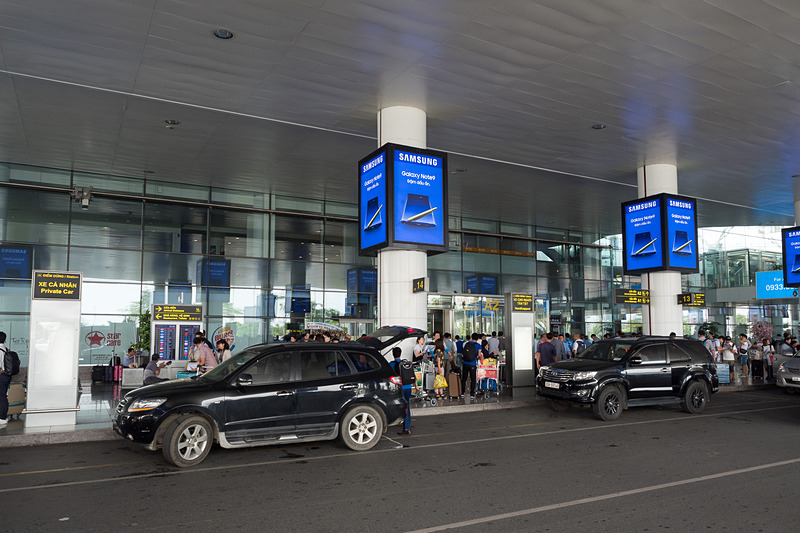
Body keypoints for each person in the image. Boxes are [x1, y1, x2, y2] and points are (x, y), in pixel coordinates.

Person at [390, 347, 412, 435]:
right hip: (408, 387)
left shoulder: (391, 364)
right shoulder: (405, 363)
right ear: (400, 353)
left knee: (399, 406)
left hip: (400, 388)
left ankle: (402, 424)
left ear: (393, 354)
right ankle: (407, 426)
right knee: (407, 406)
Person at [460, 333, 482, 400]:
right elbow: (479, 355)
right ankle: (472, 393)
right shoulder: (478, 345)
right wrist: (480, 358)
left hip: (465, 363)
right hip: (472, 364)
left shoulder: (467, 344)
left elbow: (463, 354)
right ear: (477, 339)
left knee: (464, 378)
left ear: (471, 337)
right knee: (473, 379)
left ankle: (462, 393)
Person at [0, 331, 10, 427]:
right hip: (7, 376)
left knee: (1, 396)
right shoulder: (6, 349)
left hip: (1, 376)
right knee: (3, 396)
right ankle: (3, 416)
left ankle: (2, 417)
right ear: (5, 339)